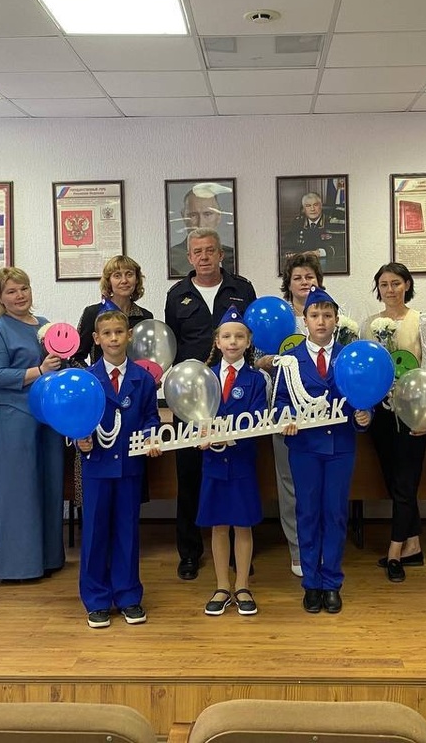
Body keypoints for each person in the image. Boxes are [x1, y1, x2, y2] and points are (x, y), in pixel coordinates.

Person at [164, 228, 256, 580]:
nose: (204, 257)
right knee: (189, 475)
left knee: (236, 472)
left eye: (210, 250)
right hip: (190, 400)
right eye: (197, 251)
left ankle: (238, 554)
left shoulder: (241, 289)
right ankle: (189, 553)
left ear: (221, 254)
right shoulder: (177, 295)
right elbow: (172, 347)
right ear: (189, 257)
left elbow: (252, 337)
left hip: (235, 394)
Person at [273, 286, 371, 615]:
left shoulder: (349, 356)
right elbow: (279, 402)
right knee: (307, 513)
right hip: (305, 449)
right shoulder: (290, 361)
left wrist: (364, 416)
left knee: (335, 514)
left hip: (341, 447)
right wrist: (285, 418)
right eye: (315, 315)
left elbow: (362, 396)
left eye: (327, 315)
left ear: (336, 320)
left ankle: (331, 583)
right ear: (305, 320)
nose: (321, 321)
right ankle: (311, 583)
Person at [0, 266, 65, 581]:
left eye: (23, 288)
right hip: (14, 418)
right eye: (11, 291)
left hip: (47, 416)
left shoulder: (44, 325)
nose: (19, 296)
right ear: (0, 298)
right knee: (19, 490)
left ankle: (48, 558)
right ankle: (17, 566)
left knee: (48, 485)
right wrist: (39, 371)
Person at [76, 303, 160, 628]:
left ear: (130, 335)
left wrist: (151, 436)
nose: (114, 338)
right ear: (96, 338)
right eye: (107, 333)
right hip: (97, 466)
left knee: (127, 532)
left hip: (129, 466)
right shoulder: (87, 379)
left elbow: (151, 416)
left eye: (119, 332)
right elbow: (77, 418)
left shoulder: (143, 379)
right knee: (95, 533)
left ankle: (128, 596)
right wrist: (79, 439)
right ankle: (96, 599)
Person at [362, 262, 426, 584]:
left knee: (407, 482)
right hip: (380, 414)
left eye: (396, 283)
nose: (390, 289)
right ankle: (414, 545)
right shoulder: (369, 324)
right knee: (395, 481)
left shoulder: (422, 320)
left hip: (412, 412)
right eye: (384, 284)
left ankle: (394, 553)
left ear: (407, 285)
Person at [256, 252, 326, 578]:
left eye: (309, 277)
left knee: (320, 483)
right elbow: (256, 360)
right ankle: (298, 549)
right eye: (298, 277)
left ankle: (322, 545)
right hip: (284, 410)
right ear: (289, 283)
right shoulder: (276, 318)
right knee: (289, 483)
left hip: (322, 412)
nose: (304, 282)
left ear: (318, 281)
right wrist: (272, 361)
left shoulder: (330, 316)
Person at [199, 306, 267, 616]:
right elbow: (195, 415)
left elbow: (258, 419)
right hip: (213, 464)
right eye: (226, 336)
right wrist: (199, 435)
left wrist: (229, 437)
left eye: (239, 336)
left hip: (241, 462)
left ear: (248, 341)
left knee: (242, 525)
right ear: (217, 341)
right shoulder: (205, 377)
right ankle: (222, 585)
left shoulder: (256, 380)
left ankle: (242, 585)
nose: (233, 342)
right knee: (218, 526)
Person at [74, 255, 153, 366]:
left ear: (136, 280)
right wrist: (91, 375)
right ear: (109, 281)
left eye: (129, 274)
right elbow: (76, 358)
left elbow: (149, 358)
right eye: (117, 276)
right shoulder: (93, 313)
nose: (124, 280)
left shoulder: (145, 317)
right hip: (99, 377)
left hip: (135, 377)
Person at [168, 185, 237, 277]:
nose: (201, 223)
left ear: (219, 216)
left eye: (207, 214)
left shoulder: (232, 256)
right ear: (183, 216)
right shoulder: (172, 257)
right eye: (193, 215)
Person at [281, 192, 346, 271]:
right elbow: (287, 244)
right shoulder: (298, 223)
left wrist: (318, 253)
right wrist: (289, 252)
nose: (312, 209)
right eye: (308, 206)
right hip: (302, 266)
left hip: (328, 266)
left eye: (315, 205)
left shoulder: (332, 222)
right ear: (304, 209)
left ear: (321, 206)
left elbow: (342, 245)